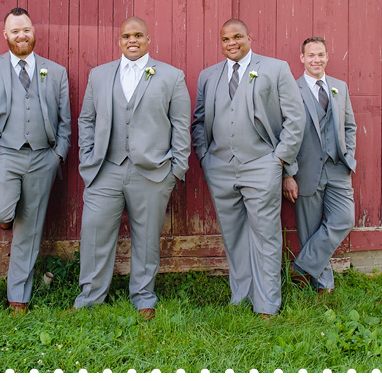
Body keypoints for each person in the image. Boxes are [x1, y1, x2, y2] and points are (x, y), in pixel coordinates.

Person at [73, 17, 191, 319]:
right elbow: (86, 119)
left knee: (147, 238)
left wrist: (175, 171)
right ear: (120, 40)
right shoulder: (99, 75)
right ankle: (91, 298)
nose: (132, 40)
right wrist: (88, 158)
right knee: (95, 234)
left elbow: (181, 125)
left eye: (138, 35)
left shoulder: (171, 76)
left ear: (148, 39)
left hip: (152, 173)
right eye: (126, 35)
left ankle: (144, 296)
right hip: (105, 169)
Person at [192, 19, 305, 317]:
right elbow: (199, 120)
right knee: (233, 235)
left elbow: (295, 118)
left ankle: (268, 303)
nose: (232, 43)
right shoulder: (208, 75)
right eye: (226, 38)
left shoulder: (275, 68)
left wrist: (278, 159)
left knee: (265, 234)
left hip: (261, 165)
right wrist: (205, 158)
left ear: (249, 37)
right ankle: (241, 296)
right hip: (219, 168)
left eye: (238, 36)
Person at [0, 7, 70, 315]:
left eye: (25, 29)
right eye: (15, 31)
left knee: (31, 229)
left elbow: (65, 121)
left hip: (42, 158)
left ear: (33, 31)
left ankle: (18, 298)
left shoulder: (56, 72)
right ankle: (6, 213)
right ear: (5, 35)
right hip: (3, 154)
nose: (21, 35)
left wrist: (58, 155)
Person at [283, 36, 356, 295]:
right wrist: (288, 174)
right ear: (302, 58)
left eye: (321, 55)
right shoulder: (291, 88)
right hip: (305, 170)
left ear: (327, 57)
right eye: (311, 55)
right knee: (310, 229)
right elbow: (283, 133)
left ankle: (301, 266)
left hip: (338, 168)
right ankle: (324, 287)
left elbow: (349, 126)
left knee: (345, 219)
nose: (316, 60)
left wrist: (350, 157)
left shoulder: (340, 87)